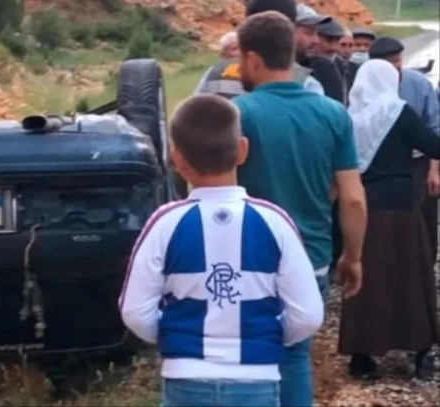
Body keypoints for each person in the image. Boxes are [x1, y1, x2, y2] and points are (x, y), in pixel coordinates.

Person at [119, 94, 324, 407]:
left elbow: (135, 311)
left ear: (176, 158)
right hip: (257, 378)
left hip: (185, 378)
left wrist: (175, 337)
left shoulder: (165, 223)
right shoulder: (275, 222)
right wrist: (267, 338)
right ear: (242, 150)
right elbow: (308, 315)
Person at [231, 11, 367, 406]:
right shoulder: (332, 113)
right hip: (311, 259)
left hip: (249, 260)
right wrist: (352, 257)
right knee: (294, 356)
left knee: (247, 358)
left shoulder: (239, 114)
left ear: (252, 58)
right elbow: (352, 196)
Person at [338, 59, 440, 380]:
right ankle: (420, 350)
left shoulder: (350, 117)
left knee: (366, 279)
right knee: (411, 276)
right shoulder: (397, 111)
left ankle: (362, 355)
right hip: (402, 206)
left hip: (364, 206)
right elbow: (432, 145)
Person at [370, 36, 440, 272]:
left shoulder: (418, 84)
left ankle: (425, 270)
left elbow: (434, 129)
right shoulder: (365, 88)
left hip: (417, 164)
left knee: (424, 219)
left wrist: (434, 170)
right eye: (389, 63)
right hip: (377, 169)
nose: (395, 68)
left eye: (398, 61)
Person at [193, 0, 325, 98]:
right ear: (289, 30)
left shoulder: (215, 73)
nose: (316, 40)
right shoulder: (305, 82)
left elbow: (192, 120)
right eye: (309, 33)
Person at [295, 4, 345, 103]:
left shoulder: (323, 69)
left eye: (316, 33)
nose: (316, 40)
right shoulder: (265, 71)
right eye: (309, 33)